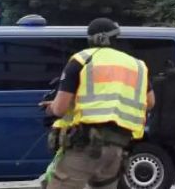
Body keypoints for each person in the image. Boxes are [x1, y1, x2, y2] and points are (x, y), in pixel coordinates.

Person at [41, 18, 154, 189]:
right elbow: (150, 102)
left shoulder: (82, 59)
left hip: (85, 147)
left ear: (96, 38)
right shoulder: (137, 65)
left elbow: (59, 108)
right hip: (118, 148)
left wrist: (50, 109)